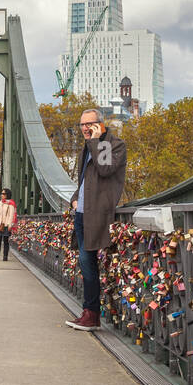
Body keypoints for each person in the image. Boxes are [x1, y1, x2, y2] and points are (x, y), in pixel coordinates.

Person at [65, 107, 127, 332]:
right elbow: (84, 182)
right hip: (82, 213)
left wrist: (97, 140)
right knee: (86, 264)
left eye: (88, 124)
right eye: (81, 125)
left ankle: (92, 315)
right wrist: (74, 199)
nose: (84, 128)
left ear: (100, 124)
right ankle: (89, 313)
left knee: (89, 265)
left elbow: (105, 169)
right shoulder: (87, 148)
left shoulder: (115, 145)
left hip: (98, 215)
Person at [0, 188, 17, 261]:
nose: (1, 195)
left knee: (6, 241)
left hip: (6, 225)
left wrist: (10, 225)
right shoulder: (0, 203)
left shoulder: (11, 203)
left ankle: (5, 256)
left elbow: (11, 215)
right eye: (1, 193)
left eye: (3, 194)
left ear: (7, 195)